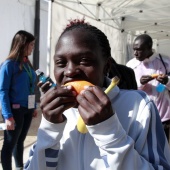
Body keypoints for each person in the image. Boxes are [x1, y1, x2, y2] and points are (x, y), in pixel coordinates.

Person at [24, 19, 170, 170]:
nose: (69, 71)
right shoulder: (56, 115)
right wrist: (49, 129)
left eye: (84, 61)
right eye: (61, 63)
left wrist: (109, 131)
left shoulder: (140, 106)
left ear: (106, 66)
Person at [0, 30, 38, 170]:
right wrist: (8, 116)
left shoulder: (27, 63)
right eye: (31, 45)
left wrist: (32, 106)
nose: (32, 48)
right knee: (9, 144)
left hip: (27, 109)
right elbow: (3, 91)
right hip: (14, 111)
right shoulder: (8, 65)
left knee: (20, 141)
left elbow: (30, 87)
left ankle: (19, 167)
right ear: (22, 44)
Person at [126, 34, 170, 140]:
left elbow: (165, 86)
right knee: (143, 147)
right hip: (141, 115)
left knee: (162, 147)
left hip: (163, 115)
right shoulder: (130, 65)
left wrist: (167, 81)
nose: (135, 53)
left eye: (139, 50)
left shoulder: (165, 61)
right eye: (134, 49)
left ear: (150, 48)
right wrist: (140, 83)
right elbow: (127, 89)